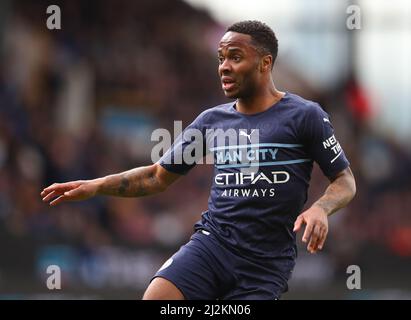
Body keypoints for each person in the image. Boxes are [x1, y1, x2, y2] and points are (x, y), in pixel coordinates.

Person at [41, 20, 356, 300]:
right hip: (212, 246)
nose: (224, 67)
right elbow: (156, 177)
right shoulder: (211, 121)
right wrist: (96, 186)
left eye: (235, 57)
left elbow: (344, 181)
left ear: (265, 63)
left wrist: (320, 208)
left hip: (264, 266)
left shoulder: (305, 117)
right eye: (221, 59)